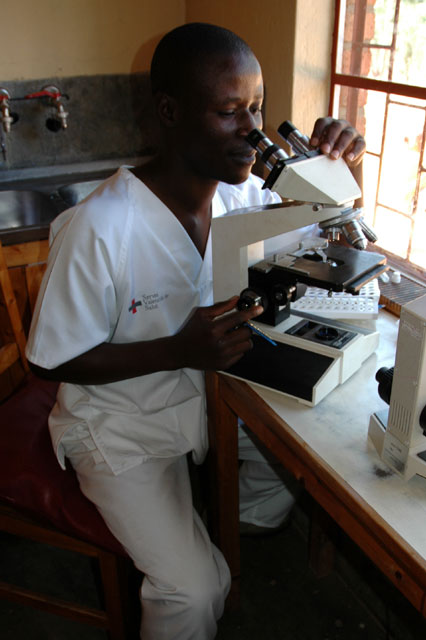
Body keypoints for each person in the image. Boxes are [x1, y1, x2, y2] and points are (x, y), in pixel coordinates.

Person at [26, 22, 366, 640]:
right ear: (170, 112)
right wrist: (176, 350)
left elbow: (326, 232)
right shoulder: (100, 226)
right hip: (121, 427)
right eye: (230, 112)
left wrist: (339, 172)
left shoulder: (244, 199)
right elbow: (48, 361)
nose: (253, 131)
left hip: (210, 405)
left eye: (258, 108)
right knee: (194, 589)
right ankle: (188, 557)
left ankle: (201, 529)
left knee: (307, 471)